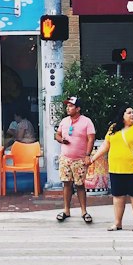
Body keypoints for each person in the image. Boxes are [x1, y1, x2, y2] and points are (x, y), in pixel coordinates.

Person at [91, 105, 133, 231]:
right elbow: (105, 146)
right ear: (122, 115)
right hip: (115, 169)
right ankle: (117, 223)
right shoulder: (113, 128)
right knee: (118, 196)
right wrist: (93, 158)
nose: (132, 115)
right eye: (129, 113)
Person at [54, 95, 96, 223]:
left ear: (78, 108)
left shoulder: (86, 121)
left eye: (71, 106)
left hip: (79, 159)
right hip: (65, 158)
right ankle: (66, 210)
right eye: (67, 106)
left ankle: (84, 212)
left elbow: (91, 138)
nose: (68, 108)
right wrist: (62, 140)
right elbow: (57, 135)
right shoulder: (64, 121)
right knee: (66, 184)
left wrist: (87, 155)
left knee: (80, 185)